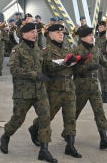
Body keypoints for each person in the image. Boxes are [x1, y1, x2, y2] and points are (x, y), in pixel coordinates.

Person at [0, 23, 57, 163]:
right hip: (23, 92)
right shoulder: (17, 50)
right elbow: (14, 70)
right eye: (31, 32)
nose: (34, 34)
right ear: (23, 34)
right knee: (18, 119)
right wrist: (34, 75)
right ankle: (6, 135)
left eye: (35, 32)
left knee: (45, 118)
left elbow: (43, 68)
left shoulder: (38, 50)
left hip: (40, 91)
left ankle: (44, 150)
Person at [30, 24, 82, 159]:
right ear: (50, 35)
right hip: (54, 88)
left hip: (69, 87)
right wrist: (64, 62)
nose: (61, 34)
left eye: (62, 33)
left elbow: (74, 68)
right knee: (49, 116)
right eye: (58, 32)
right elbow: (46, 66)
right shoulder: (46, 50)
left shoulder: (68, 48)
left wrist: (78, 62)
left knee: (70, 117)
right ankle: (34, 128)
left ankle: (70, 145)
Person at [62, 27, 107, 150]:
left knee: (99, 112)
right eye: (89, 35)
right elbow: (73, 69)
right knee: (74, 111)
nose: (92, 37)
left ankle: (104, 139)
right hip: (81, 85)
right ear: (82, 38)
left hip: (94, 85)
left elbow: (102, 60)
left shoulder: (95, 49)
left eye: (92, 35)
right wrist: (88, 67)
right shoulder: (76, 51)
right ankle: (67, 131)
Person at [95, 21, 107, 103]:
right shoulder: (97, 37)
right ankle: (103, 92)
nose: (100, 28)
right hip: (98, 59)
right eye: (99, 27)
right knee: (100, 77)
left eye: (102, 27)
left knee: (106, 77)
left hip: (105, 58)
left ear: (105, 27)